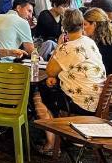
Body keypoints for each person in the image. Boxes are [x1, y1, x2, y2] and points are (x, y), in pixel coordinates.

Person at [39, 9, 106, 152]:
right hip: (97, 99)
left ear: (63, 27)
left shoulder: (67, 48)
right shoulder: (89, 42)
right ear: (82, 24)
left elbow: (50, 71)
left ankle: (52, 140)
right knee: (50, 85)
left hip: (80, 102)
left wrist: (59, 46)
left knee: (39, 92)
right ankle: (63, 133)